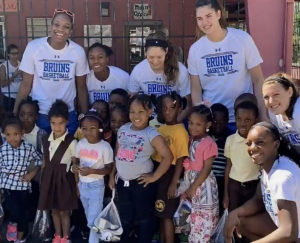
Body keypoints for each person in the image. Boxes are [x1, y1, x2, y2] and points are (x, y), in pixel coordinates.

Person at [188, 0, 266, 130]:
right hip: (213, 121)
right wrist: (201, 119)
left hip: (242, 121)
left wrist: (262, 115)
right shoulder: (195, 49)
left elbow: (258, 80)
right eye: (199, 18)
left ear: (218, 14)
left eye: (209, 16)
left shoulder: (242, 39)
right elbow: (195, 89)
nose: (204, 22)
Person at [13, 9, 90, 134]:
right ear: (51, 26)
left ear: (70, 32)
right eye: (57, 24)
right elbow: (26, 84)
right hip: (40, 113)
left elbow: (81, 87)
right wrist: (15, 113)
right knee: (42, 151)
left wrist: (85, 115)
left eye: (66, 27)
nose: (60, 29)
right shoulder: (34, 47)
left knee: (67, 152)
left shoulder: (78, 52)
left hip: (67, 114)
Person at [110, 94, 173, 243]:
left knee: (144, 219)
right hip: (123, 183)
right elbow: (117, 153)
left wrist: (154, 176)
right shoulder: (123, 129)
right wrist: (112, 175)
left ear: (150, 112)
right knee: (125, 217)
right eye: (132, 112)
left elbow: (168, 157)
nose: (136, 116)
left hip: (142, 184)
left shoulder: (151, 134)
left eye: (141, 112)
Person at [225, 122, 300, 243]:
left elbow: (289, 232)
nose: (252, 148)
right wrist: (235, 213)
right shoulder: (270, 164)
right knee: (240, 221)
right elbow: (259, 199)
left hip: (295, 236)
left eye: (260, 142)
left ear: (276, 144)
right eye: (249, 143)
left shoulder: (281, 177)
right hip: (286, 229)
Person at [38, 100, 78, 243]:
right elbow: (44, 162)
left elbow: (75, 164)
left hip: (64, 181)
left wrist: (77, 185)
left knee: (64, 211)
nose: (57, 127)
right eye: (53, 123)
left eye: (60, 123)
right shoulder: (45, 140)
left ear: (67, 122)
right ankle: (57, 235)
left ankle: (66, 237)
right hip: (49, 179)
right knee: (54, 210)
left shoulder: (72, 142)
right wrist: (43, 181)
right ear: (49, 122)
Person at [128, 31, 191, 122]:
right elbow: (132, 102)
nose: (155, 61)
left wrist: (173, 125)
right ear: (145, 53)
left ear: (166, 51)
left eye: (159, 57)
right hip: (148, 120)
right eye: (151, 57)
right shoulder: (138, 70)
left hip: (174, 119)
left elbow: (187, 105)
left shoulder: (180, 70)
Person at [152, 92, 189, 243]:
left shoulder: (180, 131)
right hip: (159, 171)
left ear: (179, 109)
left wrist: (174, 183)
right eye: (164, 108)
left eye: (172, 108)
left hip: (170, 174)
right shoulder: (162, 128)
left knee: (167, 215)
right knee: (161, 213)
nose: (167, 111)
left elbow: (180, 158)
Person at [73, 110, 114, 243]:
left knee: (93, 219)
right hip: (82, 185)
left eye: (92, 128)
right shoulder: (80, 144)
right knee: (89, 217)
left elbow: (108, 169)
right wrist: (76, 181)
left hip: (96, 186)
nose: (88, 132)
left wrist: (92, 171)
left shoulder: (105, 147)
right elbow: (76, 161)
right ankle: (102, 235)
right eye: (84, 129)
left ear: (100, 129)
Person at [0, 117, 41, 242]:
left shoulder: (28, 148)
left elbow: (40, 160)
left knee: (23, 210)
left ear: (22, 134)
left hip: (22, 183)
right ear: (4, 135)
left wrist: (32, 174)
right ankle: (12, 227)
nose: (12, 138)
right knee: (13, 209)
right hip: (7, 184)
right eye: (8, 134)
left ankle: (21, 234)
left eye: (16, 134)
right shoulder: (2, 149)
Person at [181, 105, 219, 242]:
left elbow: (206, 168)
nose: (193, 127)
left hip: (203, 187)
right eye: (191, 123)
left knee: (204, 222)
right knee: (195, 220)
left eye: (198, 124)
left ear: (207, 125)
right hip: (193, 185)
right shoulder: (192, 139)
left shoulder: (208, 143)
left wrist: (193, 187)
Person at [223, 101, 260, 212]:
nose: (243, 124)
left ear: (256, 120)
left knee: (251, 215)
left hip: (254, 185)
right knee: (234, 215)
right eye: (239, 119)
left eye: (248, 120)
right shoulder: (230, 140)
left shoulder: (259, 141)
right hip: (234, 185)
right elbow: (228, 166)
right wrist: (226, 194)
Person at [262, 73, 300, 151]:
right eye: (266, 97)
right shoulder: (273, 113)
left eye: (276, 94)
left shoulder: (298, 112)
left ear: (290, 92)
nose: (271, 101)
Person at [210, 103, 231, 216]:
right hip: (206, 180)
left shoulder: (230, 138)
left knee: (220, 209)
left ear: (227, 120)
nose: (217, 125)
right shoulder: (204, 136)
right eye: (215, 122)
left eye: (221, 122)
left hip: (222, 181)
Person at [0, 44, 22, 112]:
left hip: (20, 96)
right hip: (8, 97)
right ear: (8, 54)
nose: (15, 55)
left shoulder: (21, 64)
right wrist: (14, 75)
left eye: (17, 53)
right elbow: (2, 84)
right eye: (13, 53)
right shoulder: (4, 66)